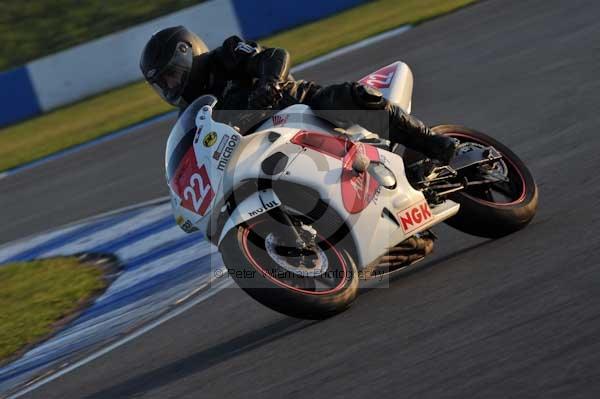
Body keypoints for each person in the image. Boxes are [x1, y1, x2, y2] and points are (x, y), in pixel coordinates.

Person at [140, 26, 457, 163]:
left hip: (300, 107)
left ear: (187, 53)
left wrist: (268, 82)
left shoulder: (226, 54)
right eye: (161, 84)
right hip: (261, 148)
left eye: (170, 75)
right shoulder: (193, 115)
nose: (169, 86)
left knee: (352, 97)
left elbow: (274, 55)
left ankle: (433, 143)